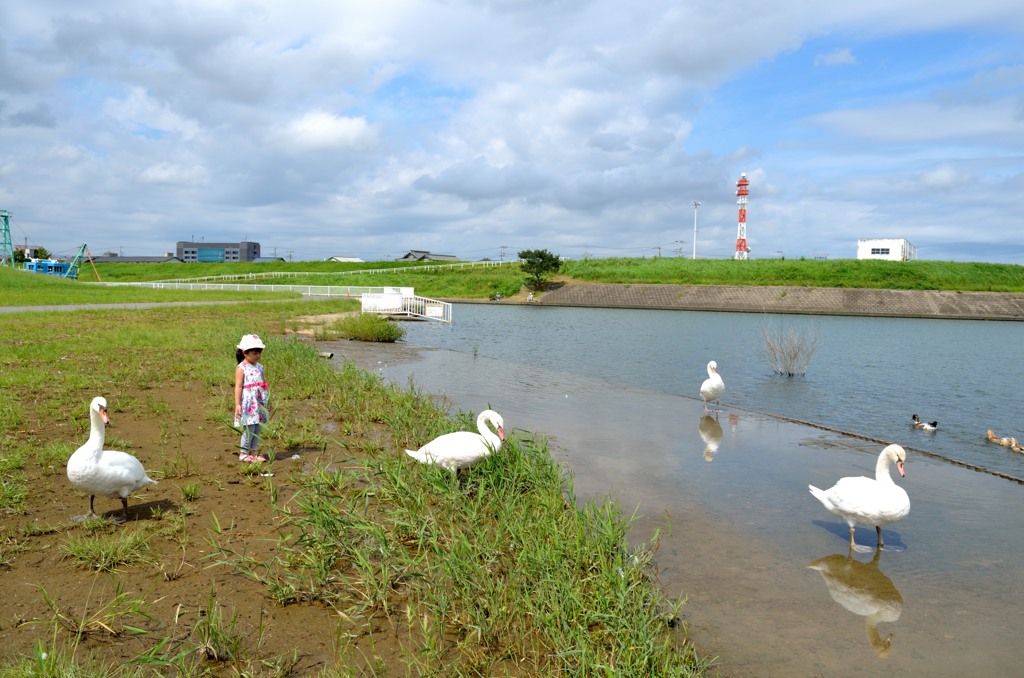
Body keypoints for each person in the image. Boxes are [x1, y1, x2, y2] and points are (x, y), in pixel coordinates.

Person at [234, 334, 270, 462]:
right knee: (250, 428)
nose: (258, 356)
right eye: (255, 353)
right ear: (245, 352)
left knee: (258, 427)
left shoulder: (259, 366)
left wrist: (267, 400)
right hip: (248, 403)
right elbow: (238, 387)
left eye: (259, 353)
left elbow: (264, 384)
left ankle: (253, 452)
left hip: (259, 402)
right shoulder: (241, 368)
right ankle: (243, 452)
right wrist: (238, 404)